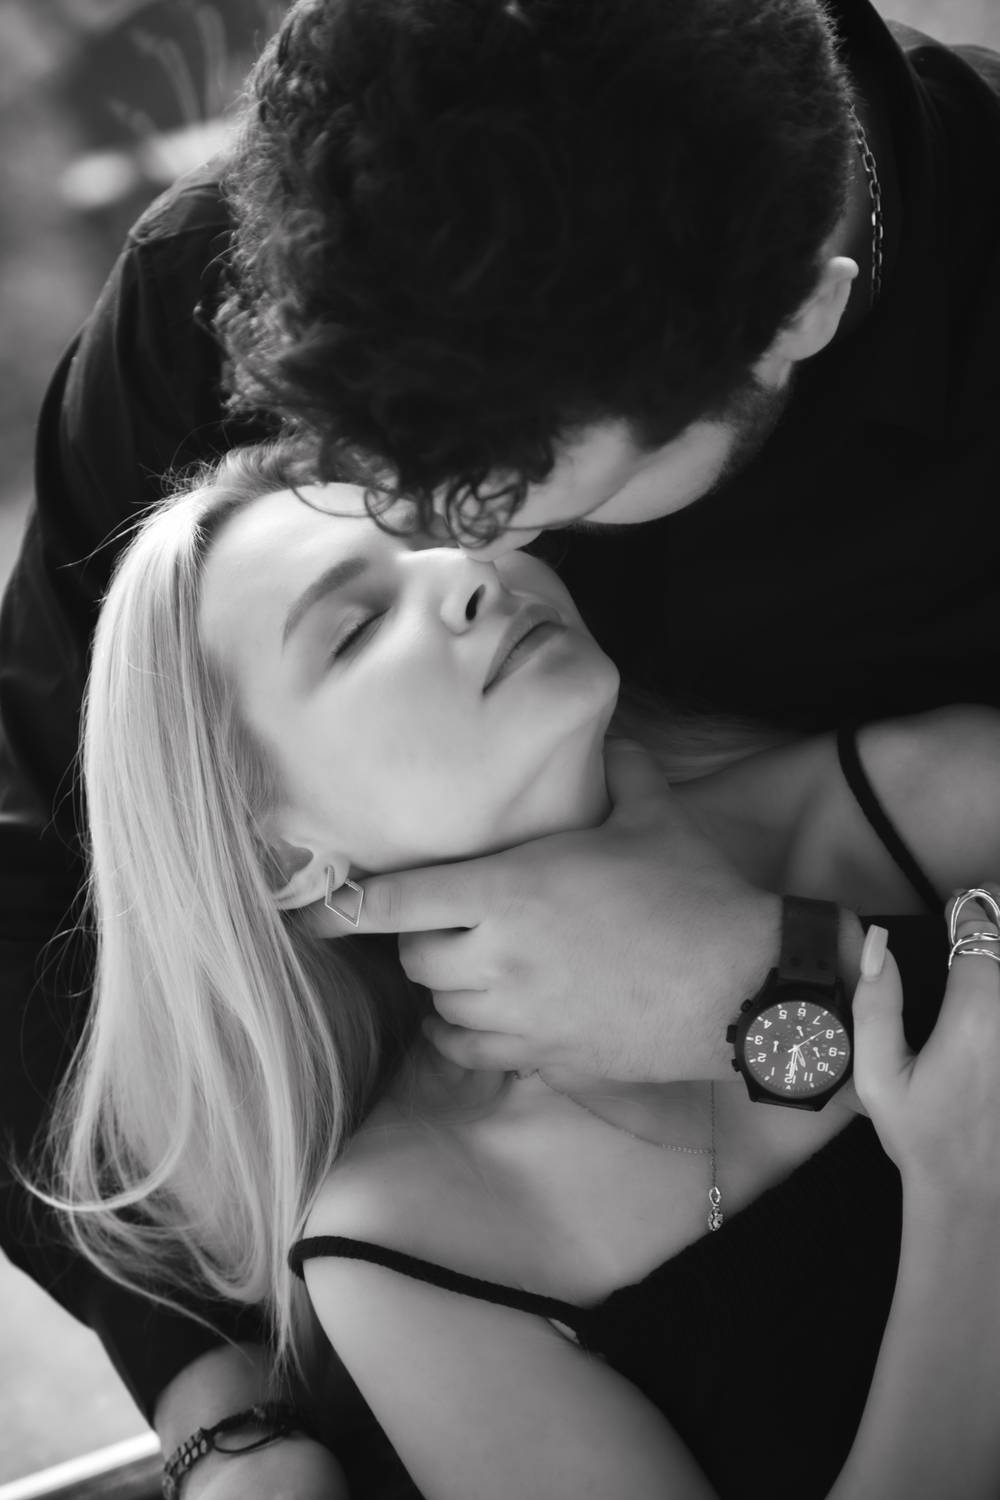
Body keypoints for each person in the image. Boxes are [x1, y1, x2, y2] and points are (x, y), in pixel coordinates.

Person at [2, 0, 1000, 1490]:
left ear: (802, 314)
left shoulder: (885, 792)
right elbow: (41, 867)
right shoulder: (253, 260)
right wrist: (220, 1410)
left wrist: (779, 982)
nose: (447, 544)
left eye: (503, 487)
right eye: (366, 467)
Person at [45, 440, 1000, 1500]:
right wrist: (966, 1196)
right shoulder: (409, 1235)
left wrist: (780, 965)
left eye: (448, 526)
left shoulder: (891, 800)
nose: (466, 572)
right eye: (355, 628)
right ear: (282, 852)